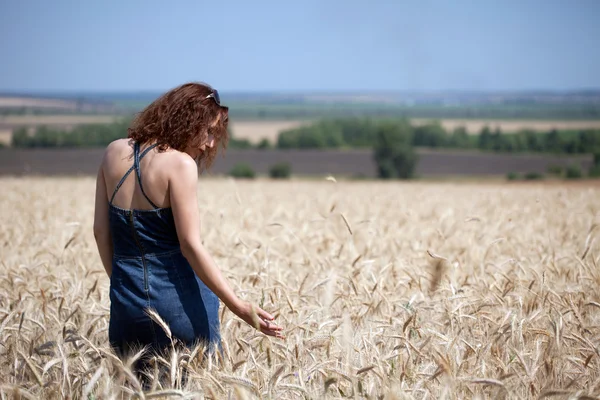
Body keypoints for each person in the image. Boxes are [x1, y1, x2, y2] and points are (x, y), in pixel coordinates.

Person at [92, 82, 283, 377]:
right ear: (187, 119)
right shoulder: (180, 165)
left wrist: (125, 288)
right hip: (180, 307)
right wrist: (239, 307)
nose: (209, 143)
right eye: (208, 131)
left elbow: (100, 232)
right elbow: (191, 246)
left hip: (125, 306)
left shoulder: (113, 152)